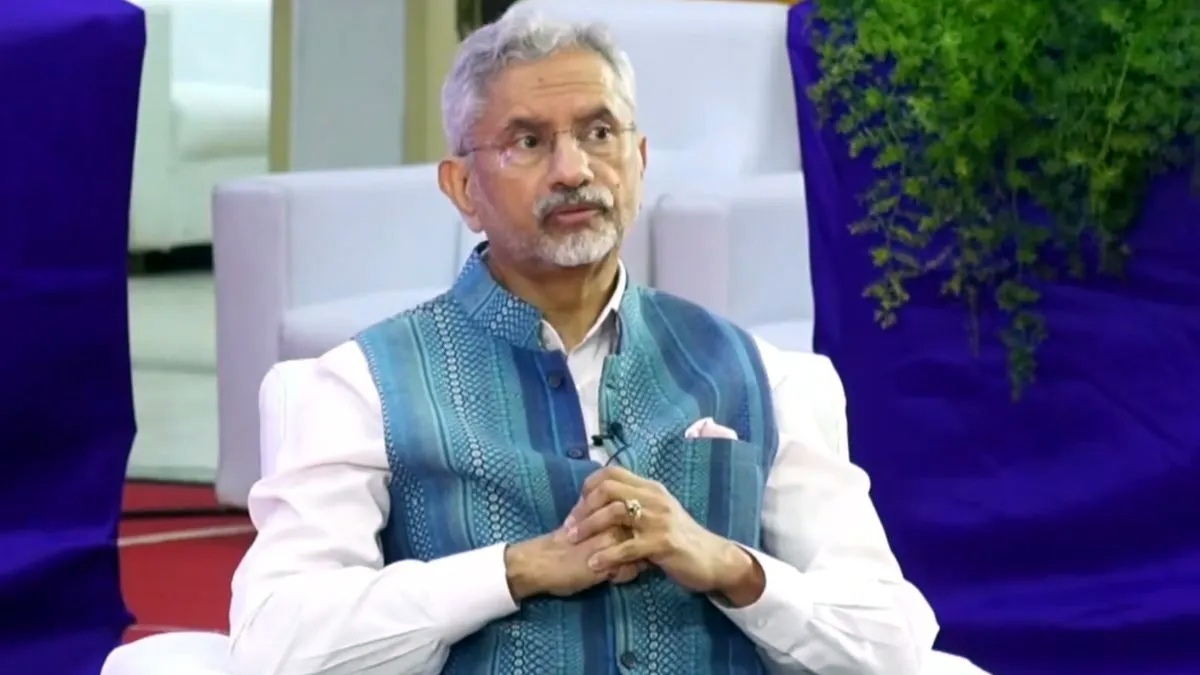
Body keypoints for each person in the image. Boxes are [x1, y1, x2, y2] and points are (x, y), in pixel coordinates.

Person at [228, 11, 938, 675]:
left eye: (599, 133)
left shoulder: (763, 376)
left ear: (640, 161)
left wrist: (730, 566)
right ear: (463, 188)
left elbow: (892, 642)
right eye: (528, 142)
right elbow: (274, 643)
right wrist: (512, 570)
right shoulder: (361, 387)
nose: (573, 170)